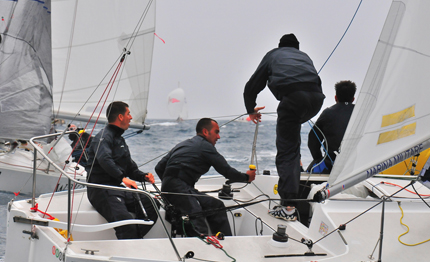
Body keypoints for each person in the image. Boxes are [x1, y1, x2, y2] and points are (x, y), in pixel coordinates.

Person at [243, 33, 325, 221]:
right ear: (297, 47)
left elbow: (252, 86)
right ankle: (296, 164)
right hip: (316, 101)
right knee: (292, 139)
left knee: (287, 150)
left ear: (280, 46)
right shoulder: (304, 56)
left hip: (294, 98)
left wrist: (251, 110)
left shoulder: (273, 55)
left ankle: (288, 206)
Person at [155, 118, 256, 236]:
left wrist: (170, 186)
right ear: (205, 132)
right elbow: (226, 171)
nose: (219, 137)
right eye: (216, 132)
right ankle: (201, 250)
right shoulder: (205, 147)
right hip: (179, 188)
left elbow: (159, 167)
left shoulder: (183, 144)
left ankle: (225, 241)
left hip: (177, 188)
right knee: (197, 221)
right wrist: (246, 177)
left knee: (216, 206)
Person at [85, 101, 159, 239]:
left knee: (152, 205)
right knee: (126, 225)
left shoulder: (119, 139)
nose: (131, 117)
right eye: (128, 113)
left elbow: (130, 167)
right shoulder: (104, 136)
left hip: (118, 189)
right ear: (120, 117)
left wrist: (144, 176)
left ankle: (134, 240)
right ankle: (131, 242)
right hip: (101, 190)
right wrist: (122, 178)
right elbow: (104, 159)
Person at [307, 80, 356, 173]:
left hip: (331, 165)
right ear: (353, 99)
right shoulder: (362, 113)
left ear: (335, 97)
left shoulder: (328, 113)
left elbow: (312, 140)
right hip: (357, 165)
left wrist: (318, 159)